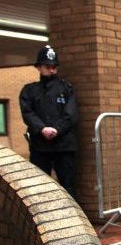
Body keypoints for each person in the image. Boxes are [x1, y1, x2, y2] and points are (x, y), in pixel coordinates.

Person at [19, 44, 78, 197]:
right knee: (39, 187)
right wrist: (42, 129)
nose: (51, 69)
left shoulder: (66, 89)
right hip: (40, 145)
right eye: (47, 66)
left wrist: (57, 129)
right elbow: (28, 113)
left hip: (63, 145)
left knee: (68, 186)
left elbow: (70, 115)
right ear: (39, 67)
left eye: (54, 66)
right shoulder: (29, 91)